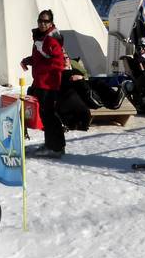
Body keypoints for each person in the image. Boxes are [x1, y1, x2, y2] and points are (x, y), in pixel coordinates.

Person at [21, 9, 66, 158]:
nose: (42, 23)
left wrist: (39, 66)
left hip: (49, 84)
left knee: (49, 115)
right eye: (40, 20)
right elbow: (41, 58)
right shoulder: (41, 37)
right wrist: (29, 60)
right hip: (41, 82)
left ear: (51, 23)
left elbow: (58, 63)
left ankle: (55, 147)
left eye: (46, 21)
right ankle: (52, 144)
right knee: (46, 115)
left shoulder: (51, 40)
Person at [56, 51, 92, 131]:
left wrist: (80, 78)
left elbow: (86, 86)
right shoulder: (58, 73)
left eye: (66, 58)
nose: (65, 59)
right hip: (65, 99)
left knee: (83, 116)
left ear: (69, 59)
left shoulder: (76, 72)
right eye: (62, 58)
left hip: (76, 100)